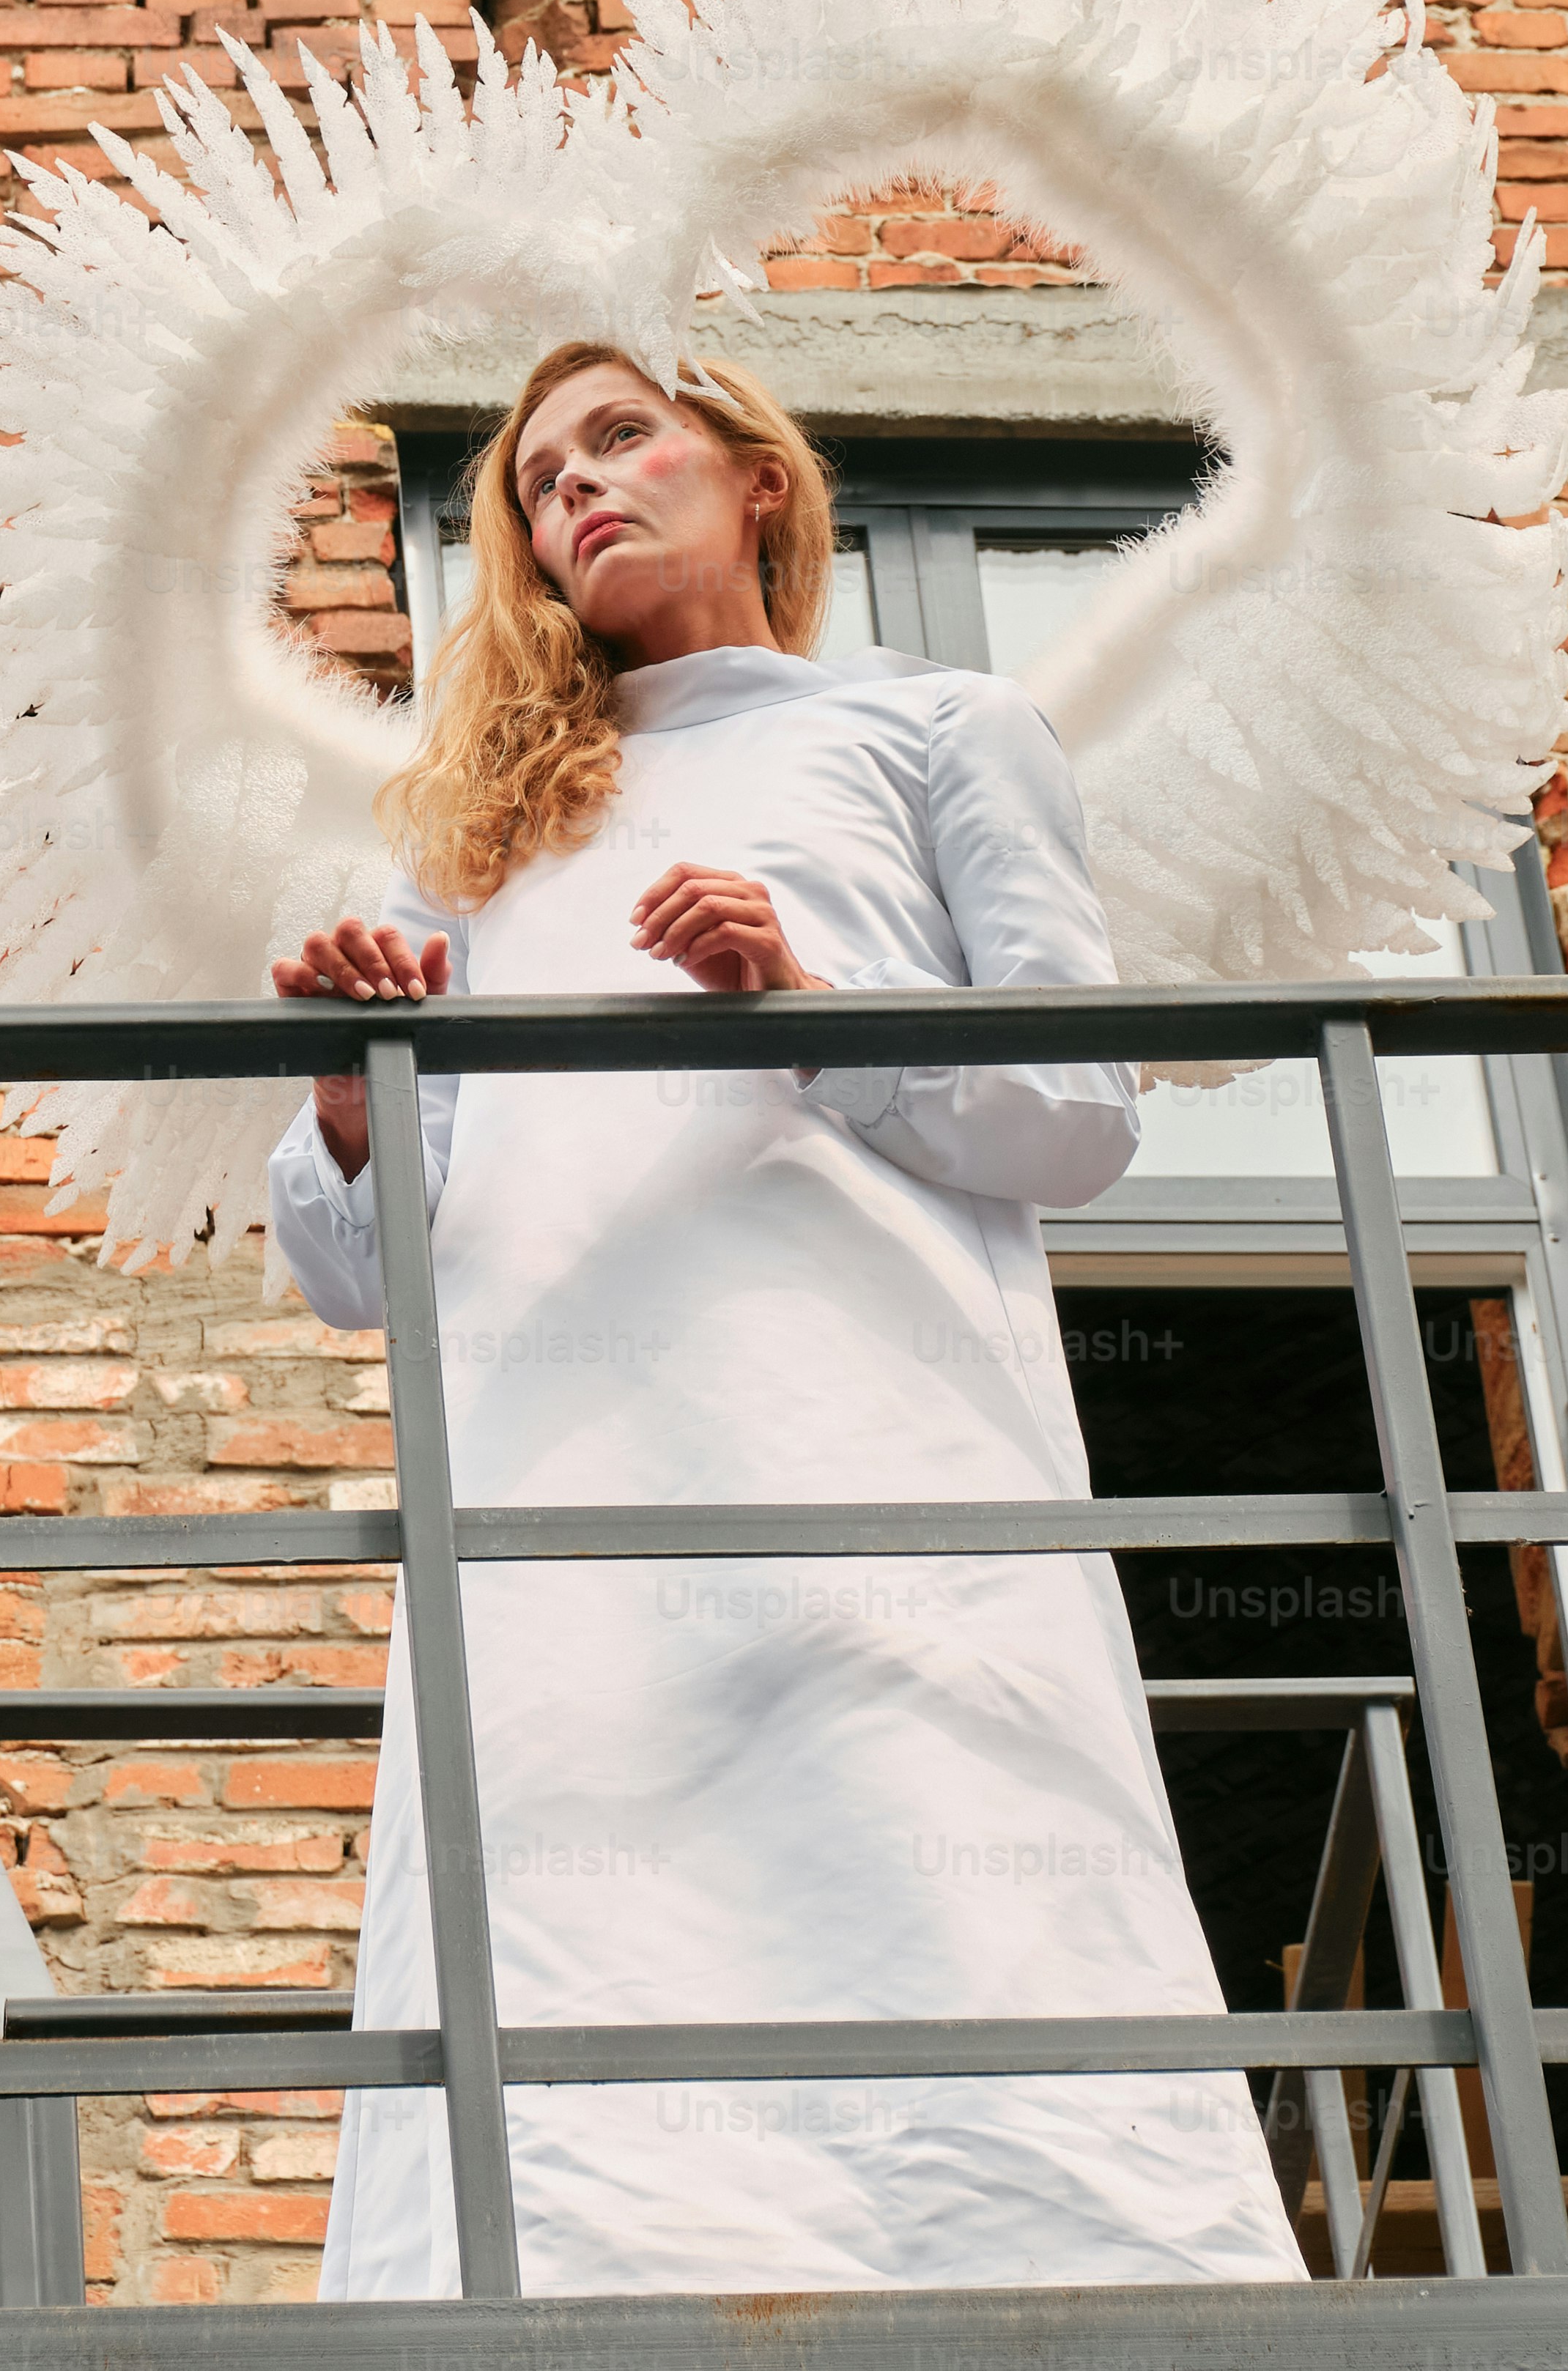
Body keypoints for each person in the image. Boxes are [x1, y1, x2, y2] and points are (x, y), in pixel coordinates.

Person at [262, 342, 1305, 2296]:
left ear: (758, 476)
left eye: (623, 433)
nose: (577, 482)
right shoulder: (465, 838)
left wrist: (806, 999)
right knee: (570, 1980)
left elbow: (1077, 1113)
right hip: (549, 1509)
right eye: (537, 475)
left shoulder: (939, 727)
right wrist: (349, 1093)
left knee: (928, 1839)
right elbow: (351, 1269)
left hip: (864, 1447)